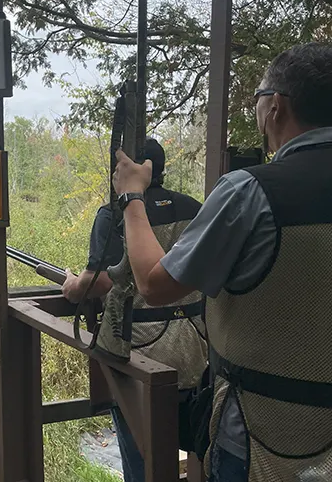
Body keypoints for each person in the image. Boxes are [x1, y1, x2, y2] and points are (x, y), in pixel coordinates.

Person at [111, 42, 332, 481]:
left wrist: (132, 198)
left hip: (263, 439)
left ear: (275, 107)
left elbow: (155, 285)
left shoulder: (249, 193)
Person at [61, 137, 208, 482]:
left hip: (138, 356)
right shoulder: (195, 209)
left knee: (142, 462)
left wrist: (72, 285)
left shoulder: (115, 213)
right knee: (198, 446)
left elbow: (99, 281)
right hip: (194, 354)